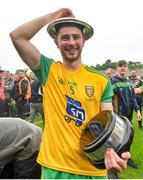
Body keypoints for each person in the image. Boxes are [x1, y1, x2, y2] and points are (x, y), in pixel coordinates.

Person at [10, 8, 130, 179]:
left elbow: (107, 124)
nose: (71, 42)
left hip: (92, 170)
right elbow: (17, 36)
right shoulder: (49, 70)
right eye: (65, 37)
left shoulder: (101, 80)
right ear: (56, 42)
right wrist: (52, 16)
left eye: (76, 37)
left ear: (84, 41)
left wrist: (115, 155)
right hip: (55, 168)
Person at [111, 60, 142, 169]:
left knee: (128, 137)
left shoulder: (129, 81)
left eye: (124, 66)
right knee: (119, 139)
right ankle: (116, 159)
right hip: (119, 116)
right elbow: (110, 99)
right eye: (120, 66)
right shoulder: (113, 81)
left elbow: (133, 98)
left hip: (129, 115)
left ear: (127, 68)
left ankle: (126, 158)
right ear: (117, 68)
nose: (123, 68)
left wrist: (138, 110)